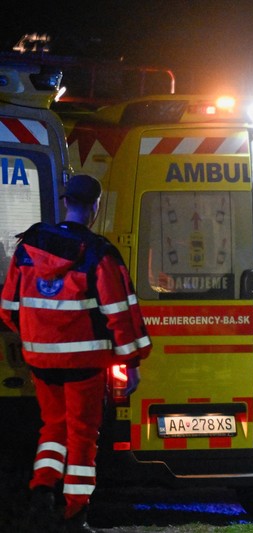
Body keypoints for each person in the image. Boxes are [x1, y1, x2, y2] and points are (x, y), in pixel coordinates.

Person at [0, 174, 151, 533]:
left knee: (53, 428)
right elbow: (120, 314)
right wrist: (130, 363)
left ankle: (41, 494)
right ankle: (74, 515)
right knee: (82, 437)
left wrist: (36, 339)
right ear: (95, 207)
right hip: (84, 365)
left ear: (65, 202)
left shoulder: (29, 246)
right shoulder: (99, 253)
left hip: (41, 361)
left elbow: (7, 308)